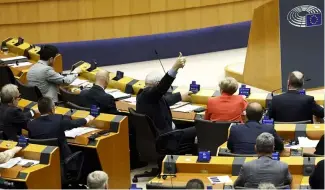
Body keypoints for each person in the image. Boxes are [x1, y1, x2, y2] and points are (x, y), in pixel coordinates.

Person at [136, 53, 196, 144]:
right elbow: (162, 88)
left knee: (187, 125)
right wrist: (175, 68)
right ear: (157, 83)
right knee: (199, 128)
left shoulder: (143, 95)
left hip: (159, 136)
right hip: (166, 138)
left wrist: (180, 96)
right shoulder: (149, 95)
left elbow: (165, 100)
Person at [27, 97, 94, 161]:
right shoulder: (59, 119)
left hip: (42, 159)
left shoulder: (31, 124)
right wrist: (88, 118)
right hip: (62, 158)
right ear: (52, 109)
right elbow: (74, 123)